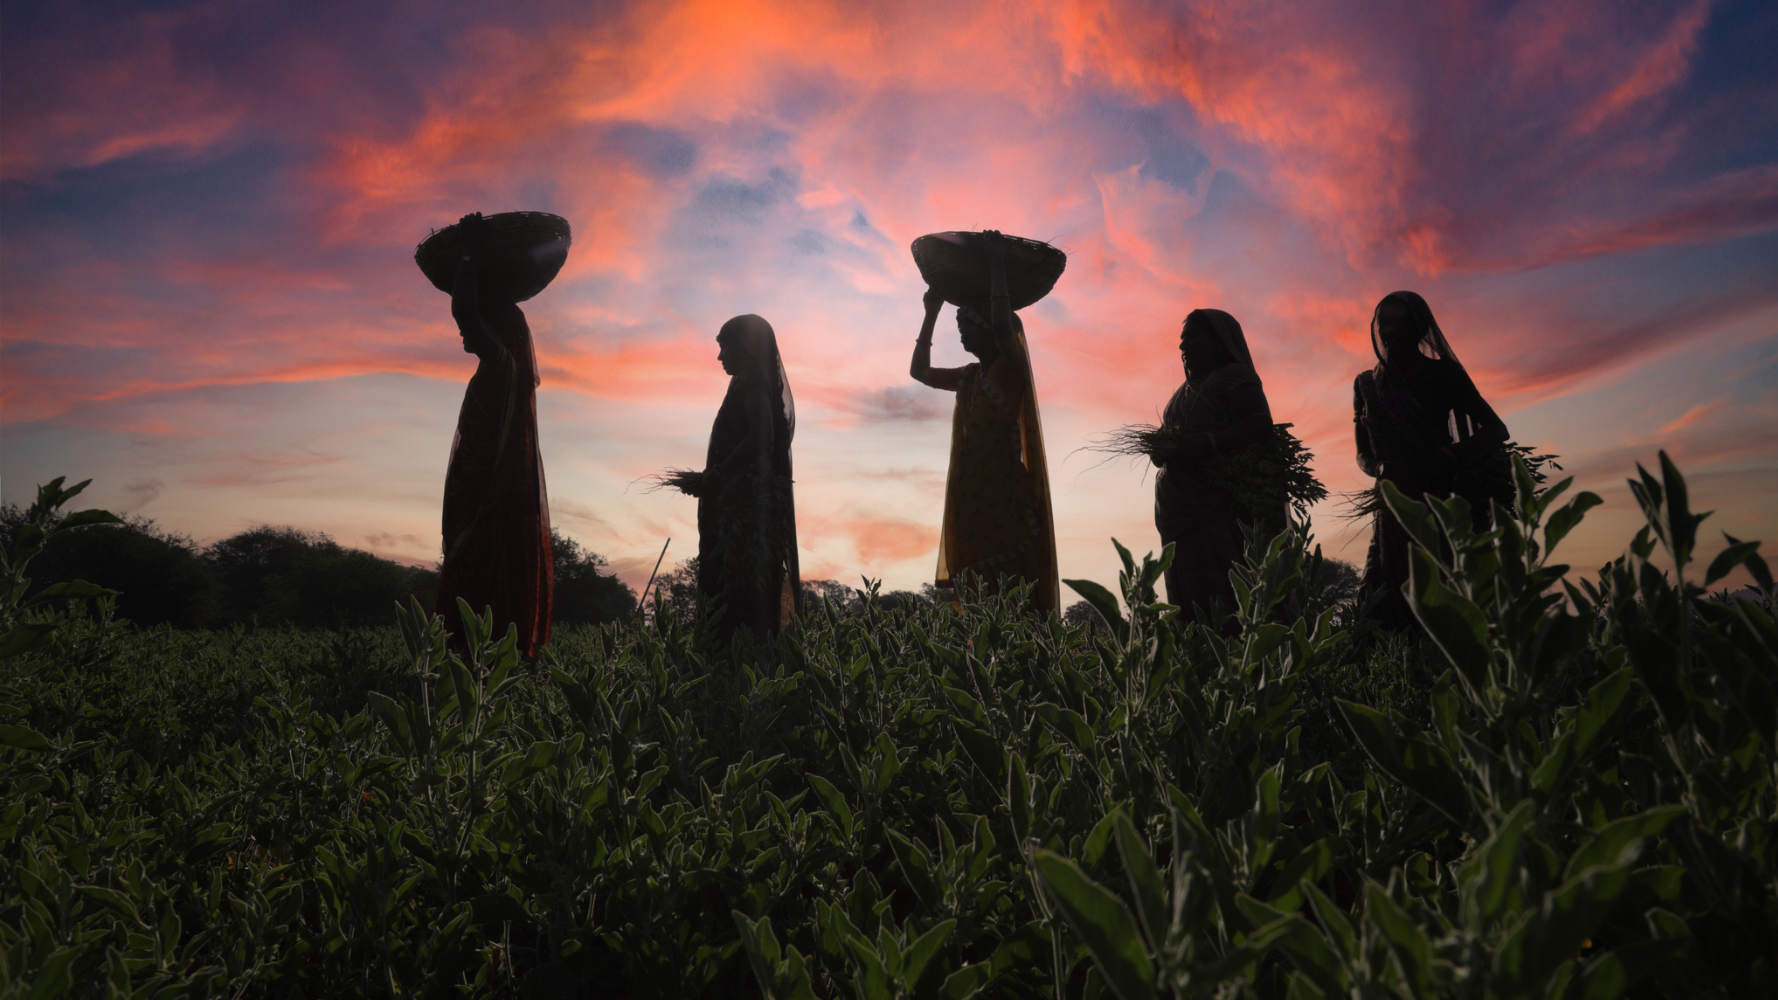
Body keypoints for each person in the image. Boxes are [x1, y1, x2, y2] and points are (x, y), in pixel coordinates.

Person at [909, 231, 1058, 613]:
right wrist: (931, 311)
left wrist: (996, 267)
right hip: (971, 500)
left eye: (967, 321)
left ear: (989, 326)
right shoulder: (969, 377)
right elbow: (920, 372)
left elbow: (1005, 325)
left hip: (1005, 500)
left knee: (1012, 595)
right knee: (977, 603)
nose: (960, 328)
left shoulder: (1011, 369)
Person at [434, 215, 554, 656]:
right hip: (487, 477)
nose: (466, 334)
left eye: (476, 326)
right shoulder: (506, 373)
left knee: (475, 554)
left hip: (483, 483)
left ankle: (470, 649)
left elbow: (464, 309)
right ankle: (497, 649)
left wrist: (467, 252)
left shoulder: (500, 364)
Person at [1353, 291, 1508, 630]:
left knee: (1443, 592)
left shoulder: (1443, 375)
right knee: (1383, 602)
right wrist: (1380, 469)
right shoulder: (1366, 384)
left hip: (1438, 499)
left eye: (1399, 322)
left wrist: (1451, 455)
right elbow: (1362, 454)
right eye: (1384, 323)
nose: (1389, 330)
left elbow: (1497, 429)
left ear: (1419, 327)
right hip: (1393, 506)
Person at [1151, 309, 1276, 619]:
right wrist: (1162, 450)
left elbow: (1260, 424)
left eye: (1193, 337)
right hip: (1177, 515)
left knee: (1230, 597)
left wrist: (1207, 444)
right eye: (1182, 340)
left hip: (1218, 509)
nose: (1183, 347)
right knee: (1192, 605)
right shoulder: (1180, 396)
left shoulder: (1233, 376)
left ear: (1219, 341)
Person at [689, 314, 801, 640]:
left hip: (743, 508)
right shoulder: (743, 381)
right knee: (726, 579)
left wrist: (718, 474)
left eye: (726, 347)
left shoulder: (753, 381)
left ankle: (738, 662)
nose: (720, 356)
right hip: (733, 502)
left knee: (735, 582)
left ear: (748, 347)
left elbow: (760, 437)